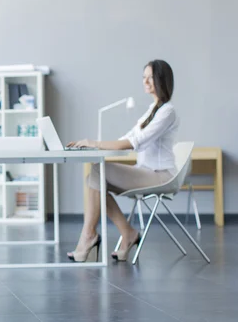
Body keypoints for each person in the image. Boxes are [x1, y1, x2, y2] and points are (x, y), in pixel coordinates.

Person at [66, 59, 179, 262]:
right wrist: (93, 145)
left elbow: (135, 141)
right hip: (146, 172)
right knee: (96, 179)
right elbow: (127, 137)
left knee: (97, 173)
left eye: (150, 78)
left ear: (162, 79)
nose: (145, 82)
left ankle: (90, 236)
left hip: (160, 176)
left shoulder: (167, 112)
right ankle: (126, 233)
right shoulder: (152, 110)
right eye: (143, 78)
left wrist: (95, 143)